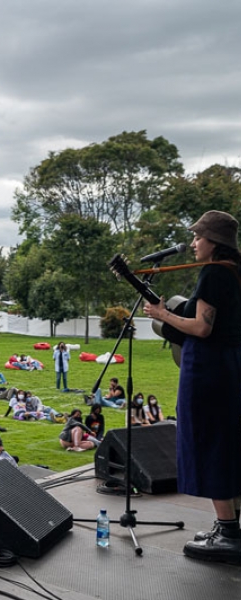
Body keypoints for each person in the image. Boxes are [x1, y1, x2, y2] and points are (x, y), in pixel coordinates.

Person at [144, 212, 241, 563]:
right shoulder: (234, 272)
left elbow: (202, 328)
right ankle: (228, 524)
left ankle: (229, 533)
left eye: (199, 237)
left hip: (208, 371)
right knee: (226, 441)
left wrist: (162, 314)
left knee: (211, 442)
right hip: (229, 367)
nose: (195, 243)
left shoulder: (214, 273)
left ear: (214, 240)